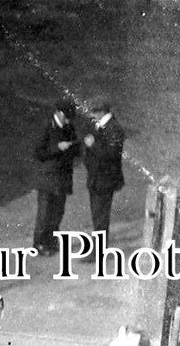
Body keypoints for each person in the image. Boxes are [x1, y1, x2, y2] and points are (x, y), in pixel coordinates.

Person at [33, 99, 81, 255]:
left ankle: (52, 241)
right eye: (66, 117)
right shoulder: (46, 127)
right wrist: (57, 148)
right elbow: (39, 153)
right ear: (59, 113)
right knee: (45, 213)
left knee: (58, 212)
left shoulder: (69, 127)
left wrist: (74, 147)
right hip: (48, 178)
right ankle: (39, 244)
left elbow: (76, 149)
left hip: (63, 178)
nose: (68, 120)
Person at [82, 99, 126, 245]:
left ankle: (98, 249)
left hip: (105, 180)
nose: (92, 115)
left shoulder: (114, 128)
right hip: (96, 178)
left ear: (101, 111)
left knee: (101, 216)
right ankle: (98, 246)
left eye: (93, 112)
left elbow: (111, 154)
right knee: (97, 215)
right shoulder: (100, 125)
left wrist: (92, 145)